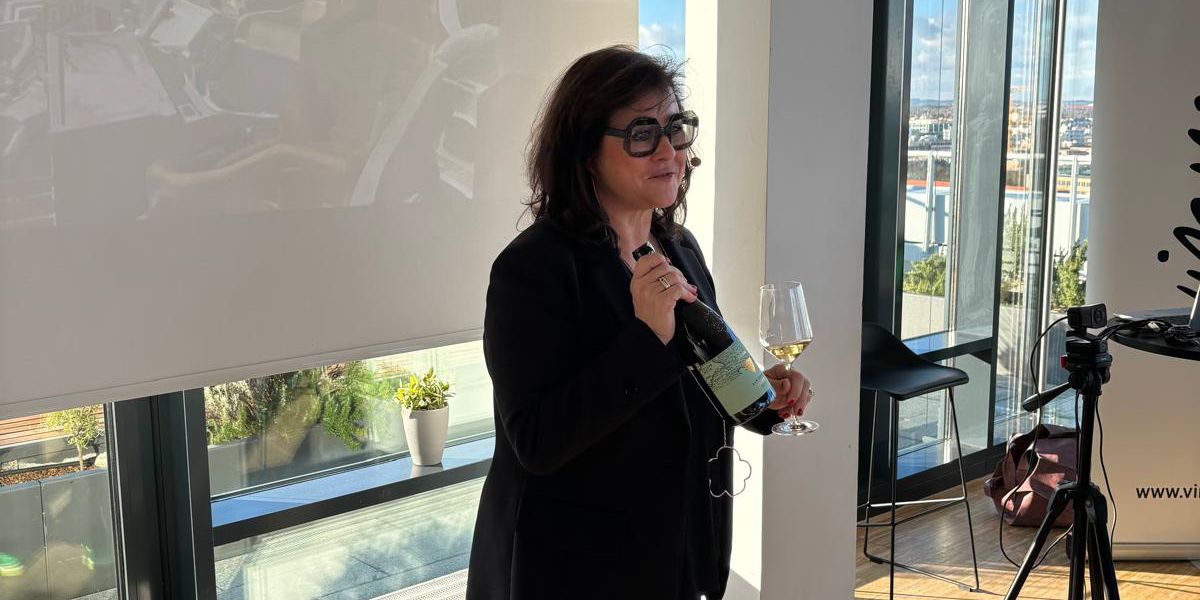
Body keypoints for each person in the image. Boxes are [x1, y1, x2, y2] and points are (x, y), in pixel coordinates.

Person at [465, 45, 814, 600]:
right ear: (585, 150)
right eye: (642, 134)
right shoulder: (532, 269)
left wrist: (762, 399)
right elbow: (537, 442)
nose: (669, 151)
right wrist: (648, 337)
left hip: (681, 554)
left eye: (675, 128)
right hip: (575, 570)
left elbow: (706, 372)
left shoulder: (680, 247)